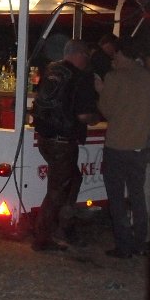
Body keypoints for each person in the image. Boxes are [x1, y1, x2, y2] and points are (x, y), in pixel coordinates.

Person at [31, 39, 100, 252]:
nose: (87, 60)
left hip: (45, 138)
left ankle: (64, 226)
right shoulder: (82, 77)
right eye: (86, 56)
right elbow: (84, 116)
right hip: (63, 141)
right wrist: (96, 117)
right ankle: (43, 238)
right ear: (80, 55)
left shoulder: (51, 70)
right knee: (57, 190)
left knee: (72, 180)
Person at [97, 38, 150, 259]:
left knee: (116, 198)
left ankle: (123, 246)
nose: (113, 57)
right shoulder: (149, 78)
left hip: (117, 146)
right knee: (137, 195)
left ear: (121, 54)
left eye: (115, 54)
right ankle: (140, 242)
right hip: (139, 146)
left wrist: (101, 90)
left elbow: (106, 110)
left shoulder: (114, 77)